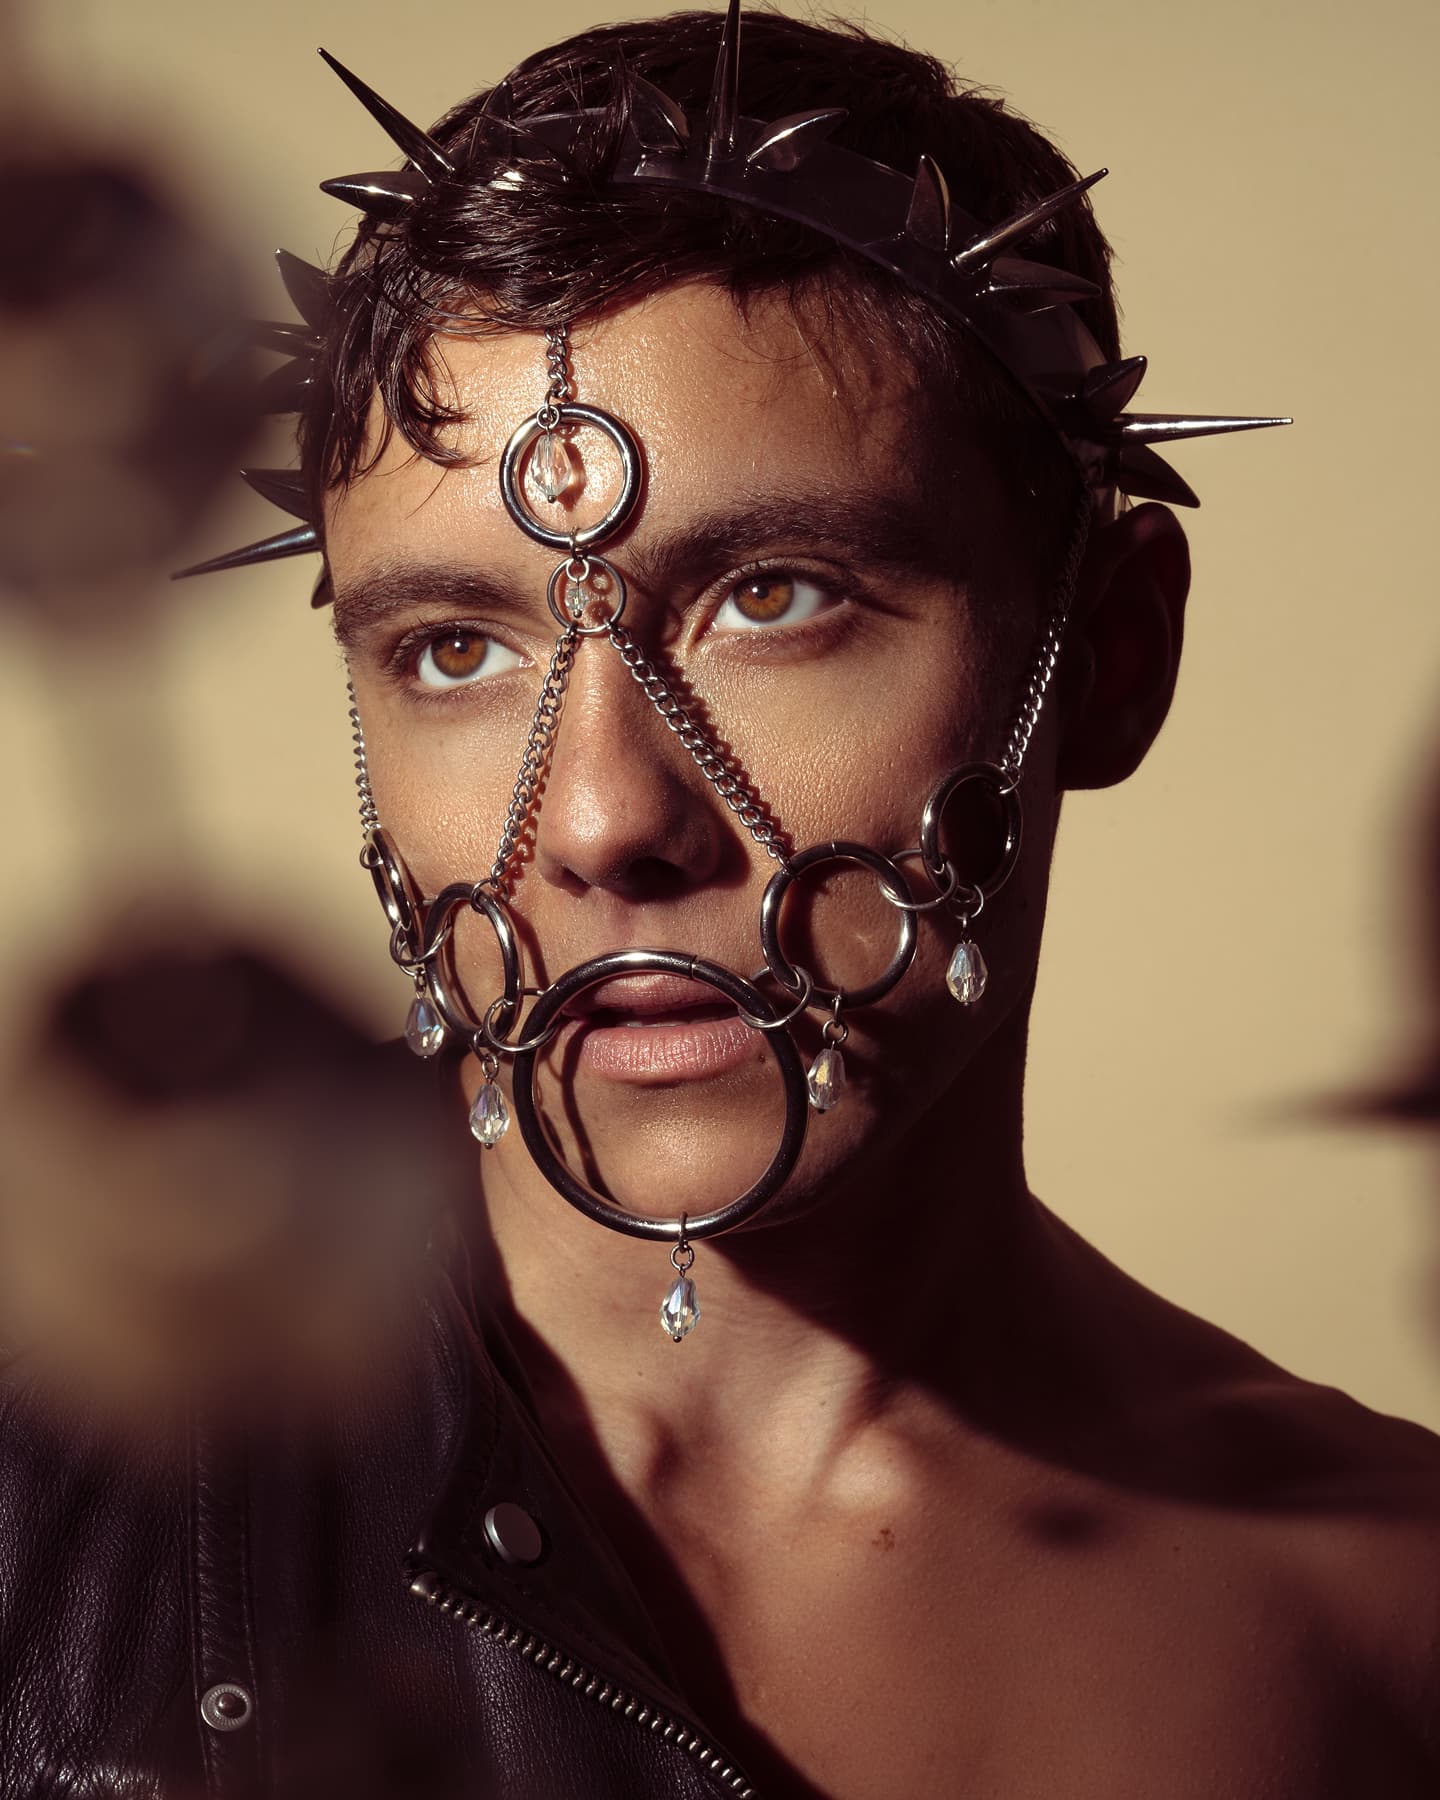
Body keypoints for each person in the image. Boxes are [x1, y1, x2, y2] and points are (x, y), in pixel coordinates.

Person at [6, 8, 1439, 1798]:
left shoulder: (1387, 1625)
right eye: (454, 645)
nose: (606, 820)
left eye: (775, 599)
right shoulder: (51, 1475)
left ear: (1118, 652)